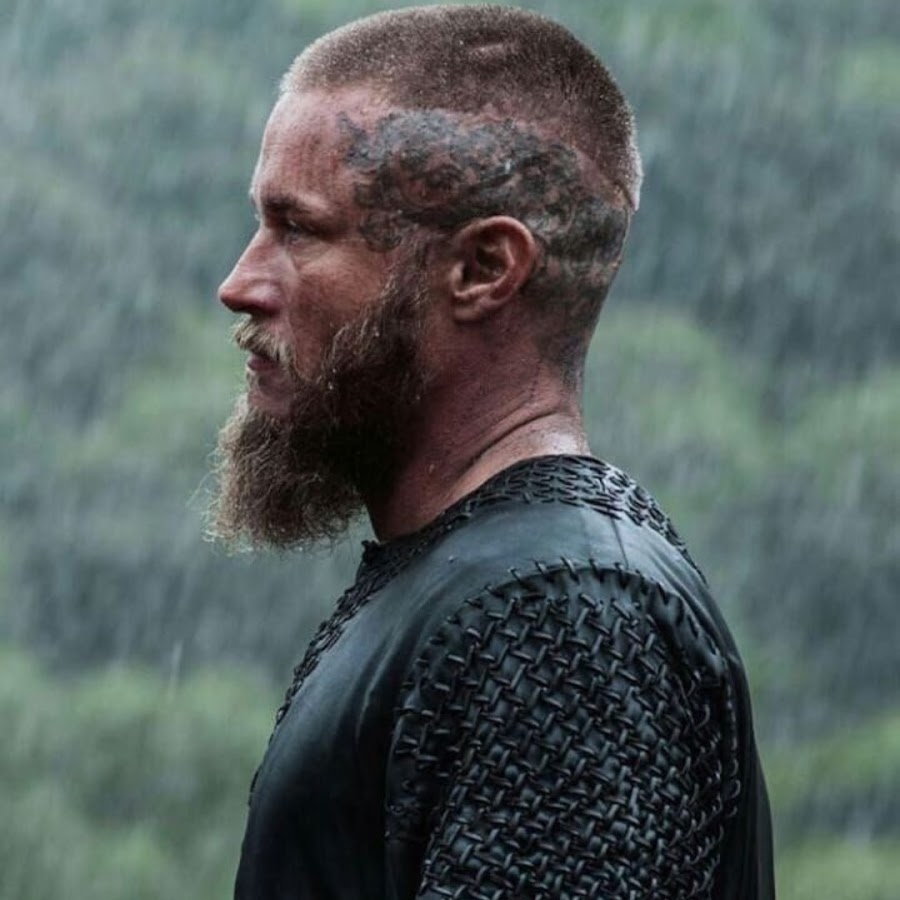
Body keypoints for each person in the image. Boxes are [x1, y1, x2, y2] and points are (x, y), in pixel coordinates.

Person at [213, 5, 775, 899]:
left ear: (481, 270)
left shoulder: (562, 620)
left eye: (300, 230)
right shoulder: (491, 586)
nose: (240, 284)